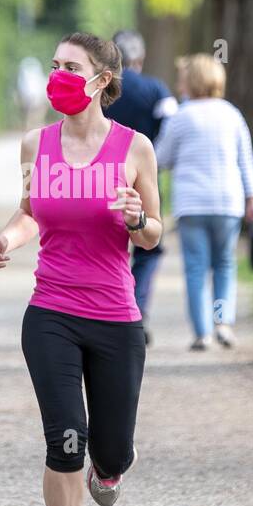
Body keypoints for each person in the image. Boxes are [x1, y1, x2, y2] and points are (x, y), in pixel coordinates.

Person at [0, 31, 162, 506]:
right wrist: (5, 240)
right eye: (54, 64)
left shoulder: (135, 149)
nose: (58, 73)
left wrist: (136, 219)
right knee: (65, 440)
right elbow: (32, 212)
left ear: (101, 80)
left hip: (115, 316)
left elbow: (155, 235)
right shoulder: (38, 143)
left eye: (70, 66)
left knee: (114, 449)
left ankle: (108, 472)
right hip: (51, 313)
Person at [154, 53, 253, 350]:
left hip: (192, 205)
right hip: (228, 202)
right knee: (224, 264)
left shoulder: (181, 116)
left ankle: (202, 332)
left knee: (196, 268)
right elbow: (246, 161)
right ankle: (223, 323)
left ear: (191, 82)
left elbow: (161, 158)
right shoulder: (232, 115)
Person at [105, 29, 177, 344]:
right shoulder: (156, 90)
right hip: (146, 177)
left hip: (104, 175)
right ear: (141, 58)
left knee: (106, 245)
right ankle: (135, 309)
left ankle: (106, 311)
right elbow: (171, 128)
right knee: (147, 246)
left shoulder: (102, 89)